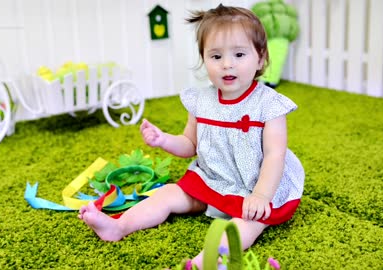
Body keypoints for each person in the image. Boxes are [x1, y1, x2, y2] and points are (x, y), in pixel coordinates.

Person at [79, 4, 304, 268]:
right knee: (168, 194)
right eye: (216, 56)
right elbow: (190, 144)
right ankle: (119, 226)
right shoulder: (202, 100)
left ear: (261, 58)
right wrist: (163, 140)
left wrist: (262, 196)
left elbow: (275, 155)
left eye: (239, 54)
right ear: (204, 58)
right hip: (213, 179)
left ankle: (202, 262)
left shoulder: (269, 104)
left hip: (255, 185)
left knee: (248, 223)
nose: (227, 64)